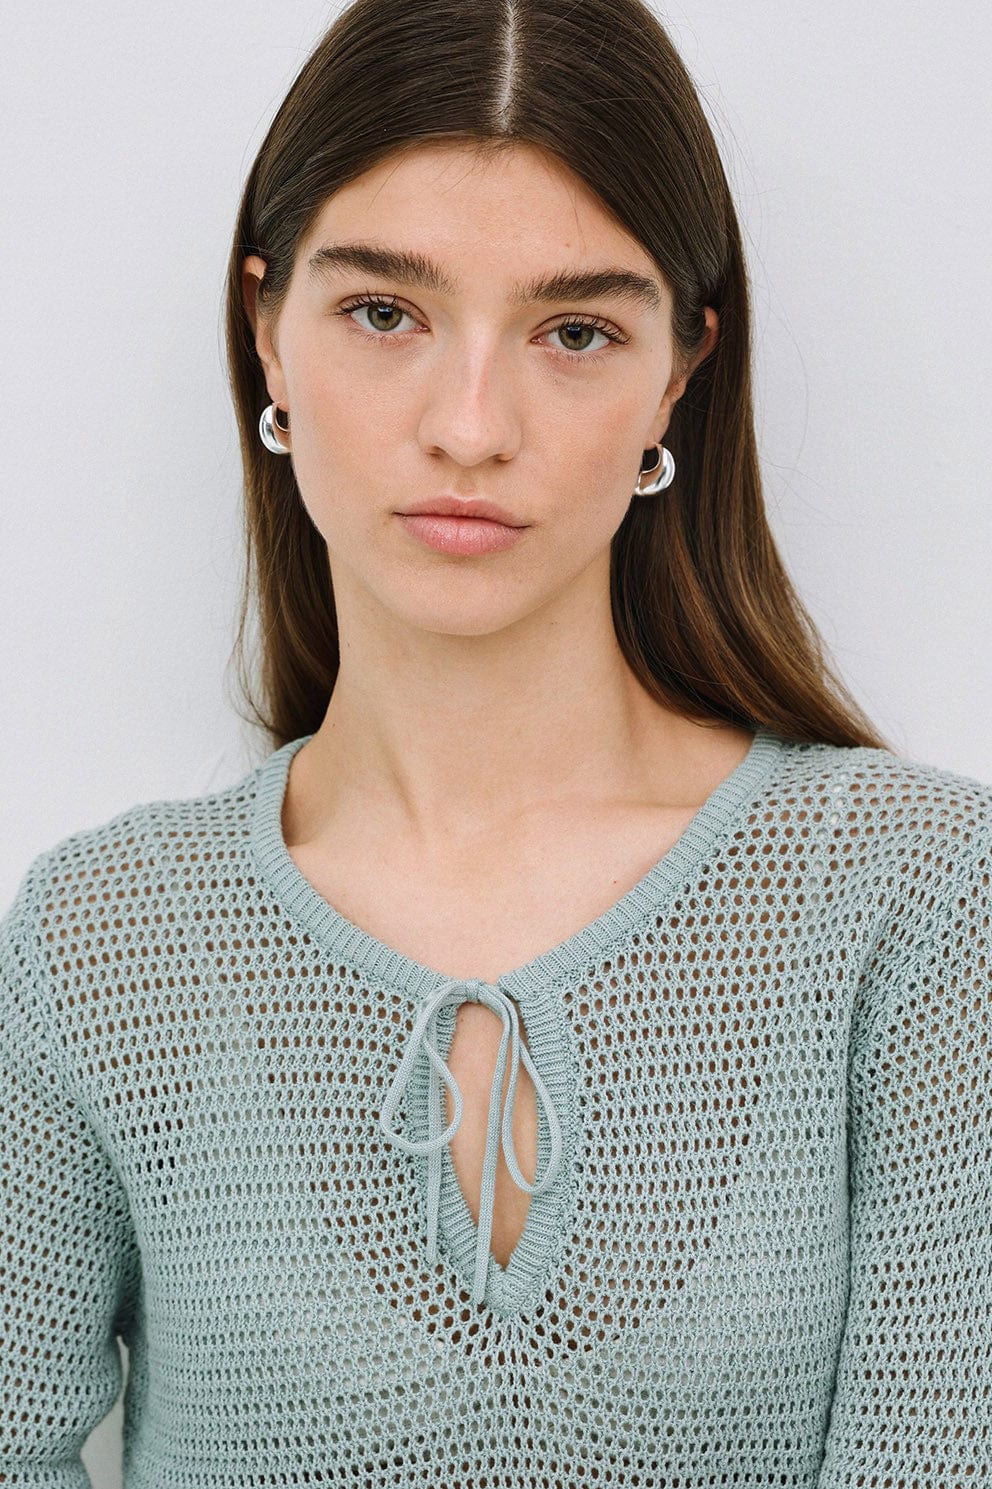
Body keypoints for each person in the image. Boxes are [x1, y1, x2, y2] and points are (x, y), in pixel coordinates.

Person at [2, 0, 989, 1483]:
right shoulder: (105, 939)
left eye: (575, 331)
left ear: (677, 372)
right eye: (383, 313)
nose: (471, 427)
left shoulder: (916, 899)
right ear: (267, 331)